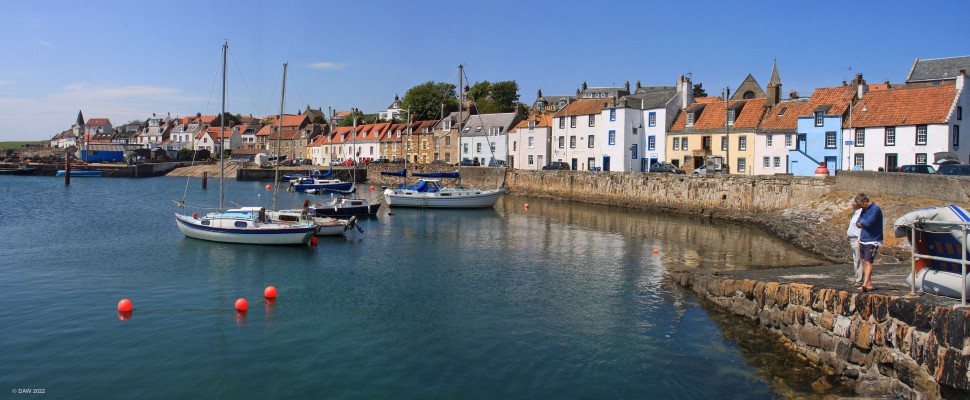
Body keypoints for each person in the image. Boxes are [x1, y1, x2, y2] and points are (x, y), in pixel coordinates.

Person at [855, 193, 883, 291]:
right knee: (864, 262)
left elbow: (869, 222)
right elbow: (858, 221)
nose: (860, 207)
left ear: (865, 201)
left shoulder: (875, 209)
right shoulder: (864, 209)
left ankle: (865, 284)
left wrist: (861, 223)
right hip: (863, 239)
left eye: (860, 204)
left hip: (872, 239)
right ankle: (869, 284)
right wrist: (861, 223)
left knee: (868, 261)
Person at [846, 198, 863, 285]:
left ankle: (859, 279)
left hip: (857, 239)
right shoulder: (856, 213)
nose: (851, 205)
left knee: (858, 259)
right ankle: (857, 277)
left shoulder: (860, 214)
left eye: (852, 204)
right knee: (855, 260)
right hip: (853, 239)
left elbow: (861, 228)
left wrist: (860, 240)